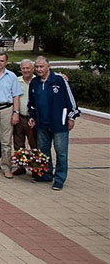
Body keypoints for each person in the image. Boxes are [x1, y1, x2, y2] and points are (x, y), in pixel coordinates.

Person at [28, 56, 79, 190]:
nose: (39, 69)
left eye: (41, 67)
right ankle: (46, 174)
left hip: (59, 123)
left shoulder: (60, 80)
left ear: (48, 66)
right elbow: (31, 103)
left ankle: (59, 178)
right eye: (37, 67)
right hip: (41, 123)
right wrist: (32, 117)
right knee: (44, 151)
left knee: (61, 152)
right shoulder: (34, 83)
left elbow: (72, 102)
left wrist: (71, 118)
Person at [13, 59, 38, 175]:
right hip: (20, 116)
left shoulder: (37, 81)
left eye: (28, 68)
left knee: (34, 143)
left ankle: (36, 167)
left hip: (33, 118)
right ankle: (21, 166)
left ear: (33, 69)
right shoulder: (16, 81)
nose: (25, 70)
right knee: (18, 143)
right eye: (23, 68)